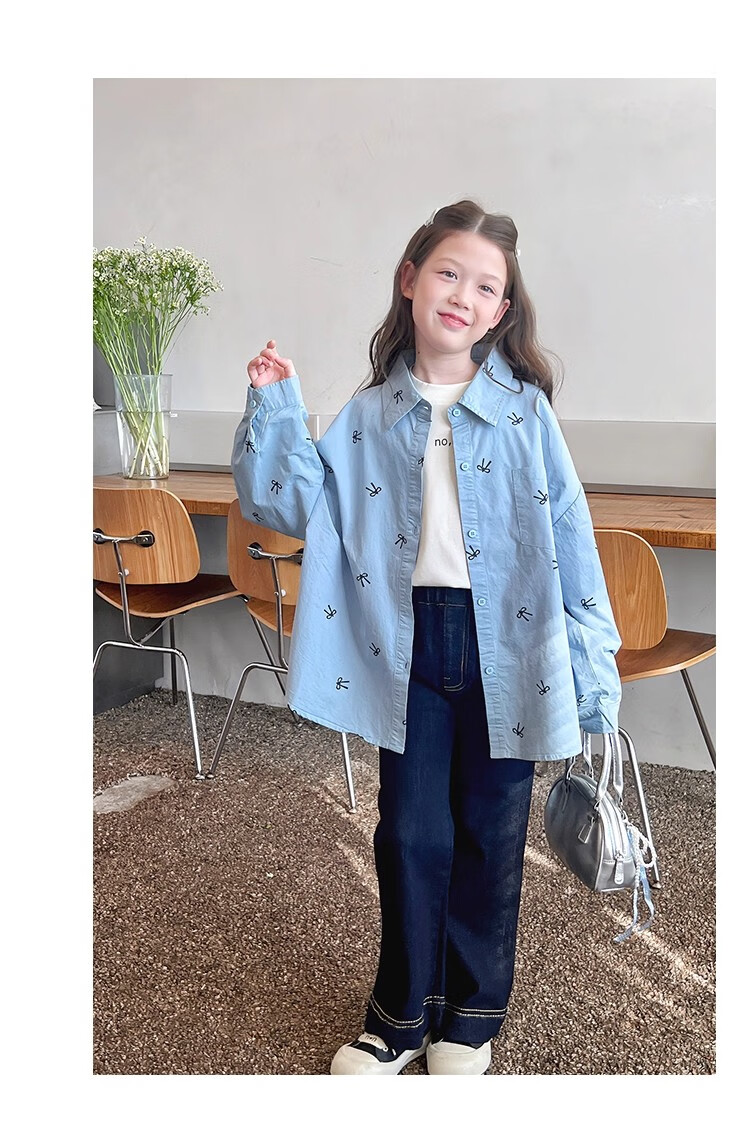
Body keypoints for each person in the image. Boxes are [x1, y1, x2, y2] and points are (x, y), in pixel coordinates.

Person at [232, 199, 622, 1075]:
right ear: (410, 279)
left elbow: (571, 539)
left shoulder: (525, 413)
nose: (462, 295)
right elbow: (295, 507)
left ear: (501, 312)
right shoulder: (369, 414)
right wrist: (275, 406)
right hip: (406, 641)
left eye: (485, 287)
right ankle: (399, 1017)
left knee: (492, 831)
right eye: (448, 272)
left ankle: (470, 1020)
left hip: (510, 645)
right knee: (409, 833)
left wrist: (592, 671)